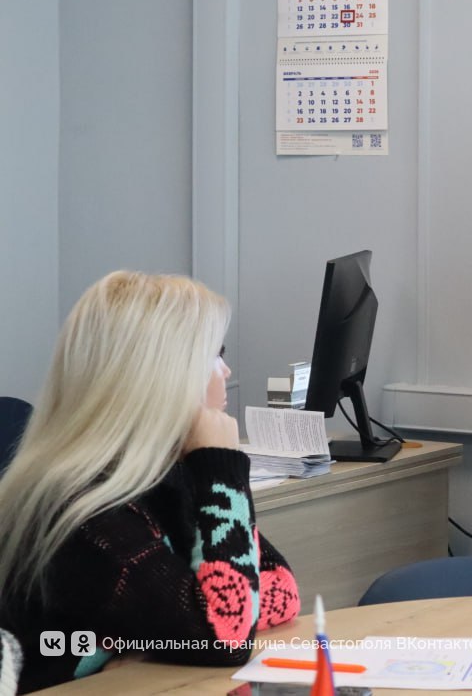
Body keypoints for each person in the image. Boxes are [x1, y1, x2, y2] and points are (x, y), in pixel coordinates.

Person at [0, 271, 300, 693]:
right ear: (164, 375)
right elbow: (227, 636)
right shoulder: (82, 510)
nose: (227, 370)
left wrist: (149, 638)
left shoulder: (168, 473)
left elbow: (281, 587)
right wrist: (221, 468)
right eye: (214, 355)